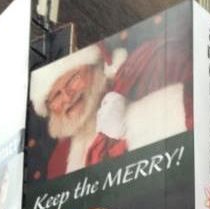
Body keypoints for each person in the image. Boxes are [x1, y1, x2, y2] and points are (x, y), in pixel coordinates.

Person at [28, 15, 192, 180]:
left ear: (94, 66)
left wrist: (132, 122)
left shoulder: (151, 62)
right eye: (56, 95)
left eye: (73, 79)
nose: (67, 96)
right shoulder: (58, 162)